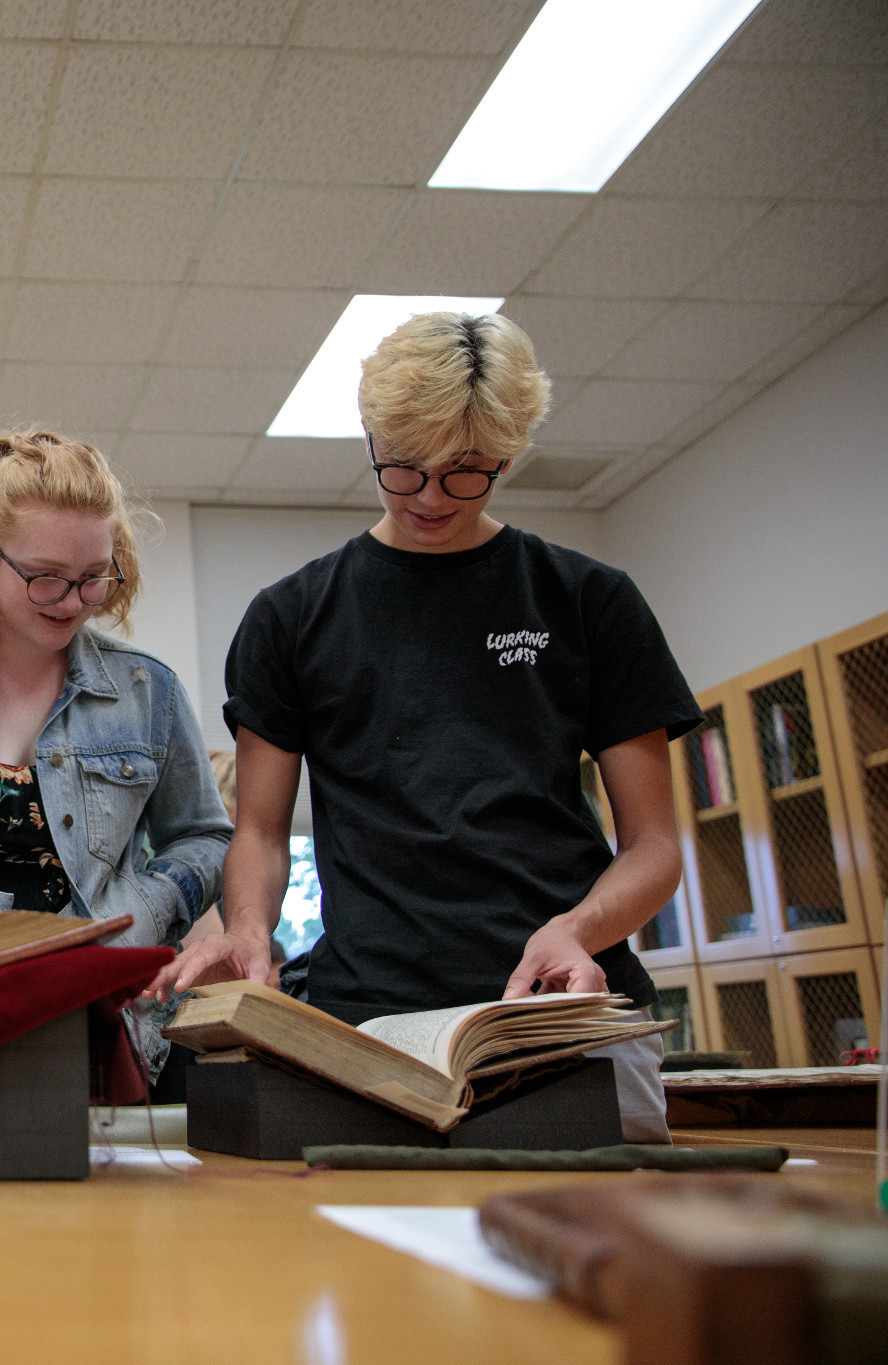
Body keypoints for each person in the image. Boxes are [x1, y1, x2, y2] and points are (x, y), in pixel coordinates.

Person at [145, 312, 702, 1140]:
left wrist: (577, 929)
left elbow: (654, 847)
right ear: (370, 436)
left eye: (466, 473)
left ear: (508, 454)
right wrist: (250, 929)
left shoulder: (587, 600)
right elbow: (259, 834)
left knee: (597, 1255)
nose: (431, 498)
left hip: (564, 1010)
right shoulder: (293, 617)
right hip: (371, 1024)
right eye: (403, 470)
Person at [0, 429, 231, 1079]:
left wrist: (141, 914)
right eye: (44, 578)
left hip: (97, 1032)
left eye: (94, 576)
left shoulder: (148, 692)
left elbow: (205, 838)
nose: (72, 601)